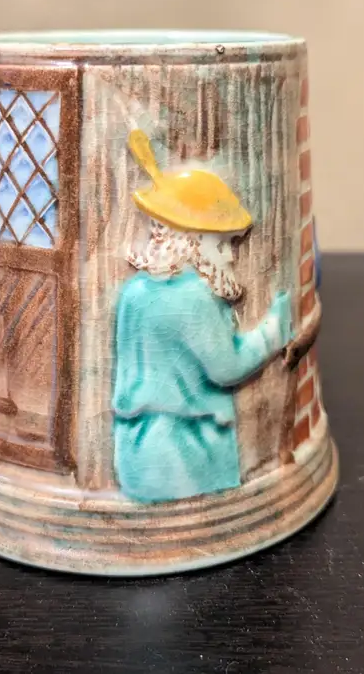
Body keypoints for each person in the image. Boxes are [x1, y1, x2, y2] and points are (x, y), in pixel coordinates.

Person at [111, 131, 293, 503]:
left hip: (136, 449)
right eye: (221, 244)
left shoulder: (134, 292)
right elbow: (227, 367)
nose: (229, 256)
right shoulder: (194, 296)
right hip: (186, 453)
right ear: (191, 241)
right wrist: (273, 330)